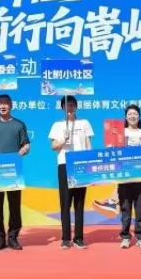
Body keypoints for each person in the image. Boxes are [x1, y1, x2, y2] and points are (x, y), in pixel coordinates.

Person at [0, 94, 30, 251]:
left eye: (6, 103)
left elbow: (26, 145)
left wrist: (22, 151)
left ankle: (13, 237)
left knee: (14, 205)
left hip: (13, 170)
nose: (3, 106)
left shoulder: (19, 125)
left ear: (11, 105)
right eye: (0, 104)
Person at [48, 95, 91, 250]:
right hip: (64, 165)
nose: (70, 108)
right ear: (62, 108)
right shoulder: (57, 125)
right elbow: (53, 146)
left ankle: (79, 238)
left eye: (72, 105)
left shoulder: (84, 123)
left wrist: (89, 165)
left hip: (81, 165)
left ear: (76, 107)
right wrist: (63, 140)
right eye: (67, 105)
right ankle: (66, 238)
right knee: (65, 203)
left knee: (79, 203)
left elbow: (88, 145)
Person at [118, 104, 141, 249]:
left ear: (139, 116)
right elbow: (114, 152)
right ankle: (125, 236)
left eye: (135, 114)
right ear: (126, 117)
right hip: (124, 175)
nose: (132, 116)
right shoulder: (120, 133)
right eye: (130, 114)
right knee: (125, 208)